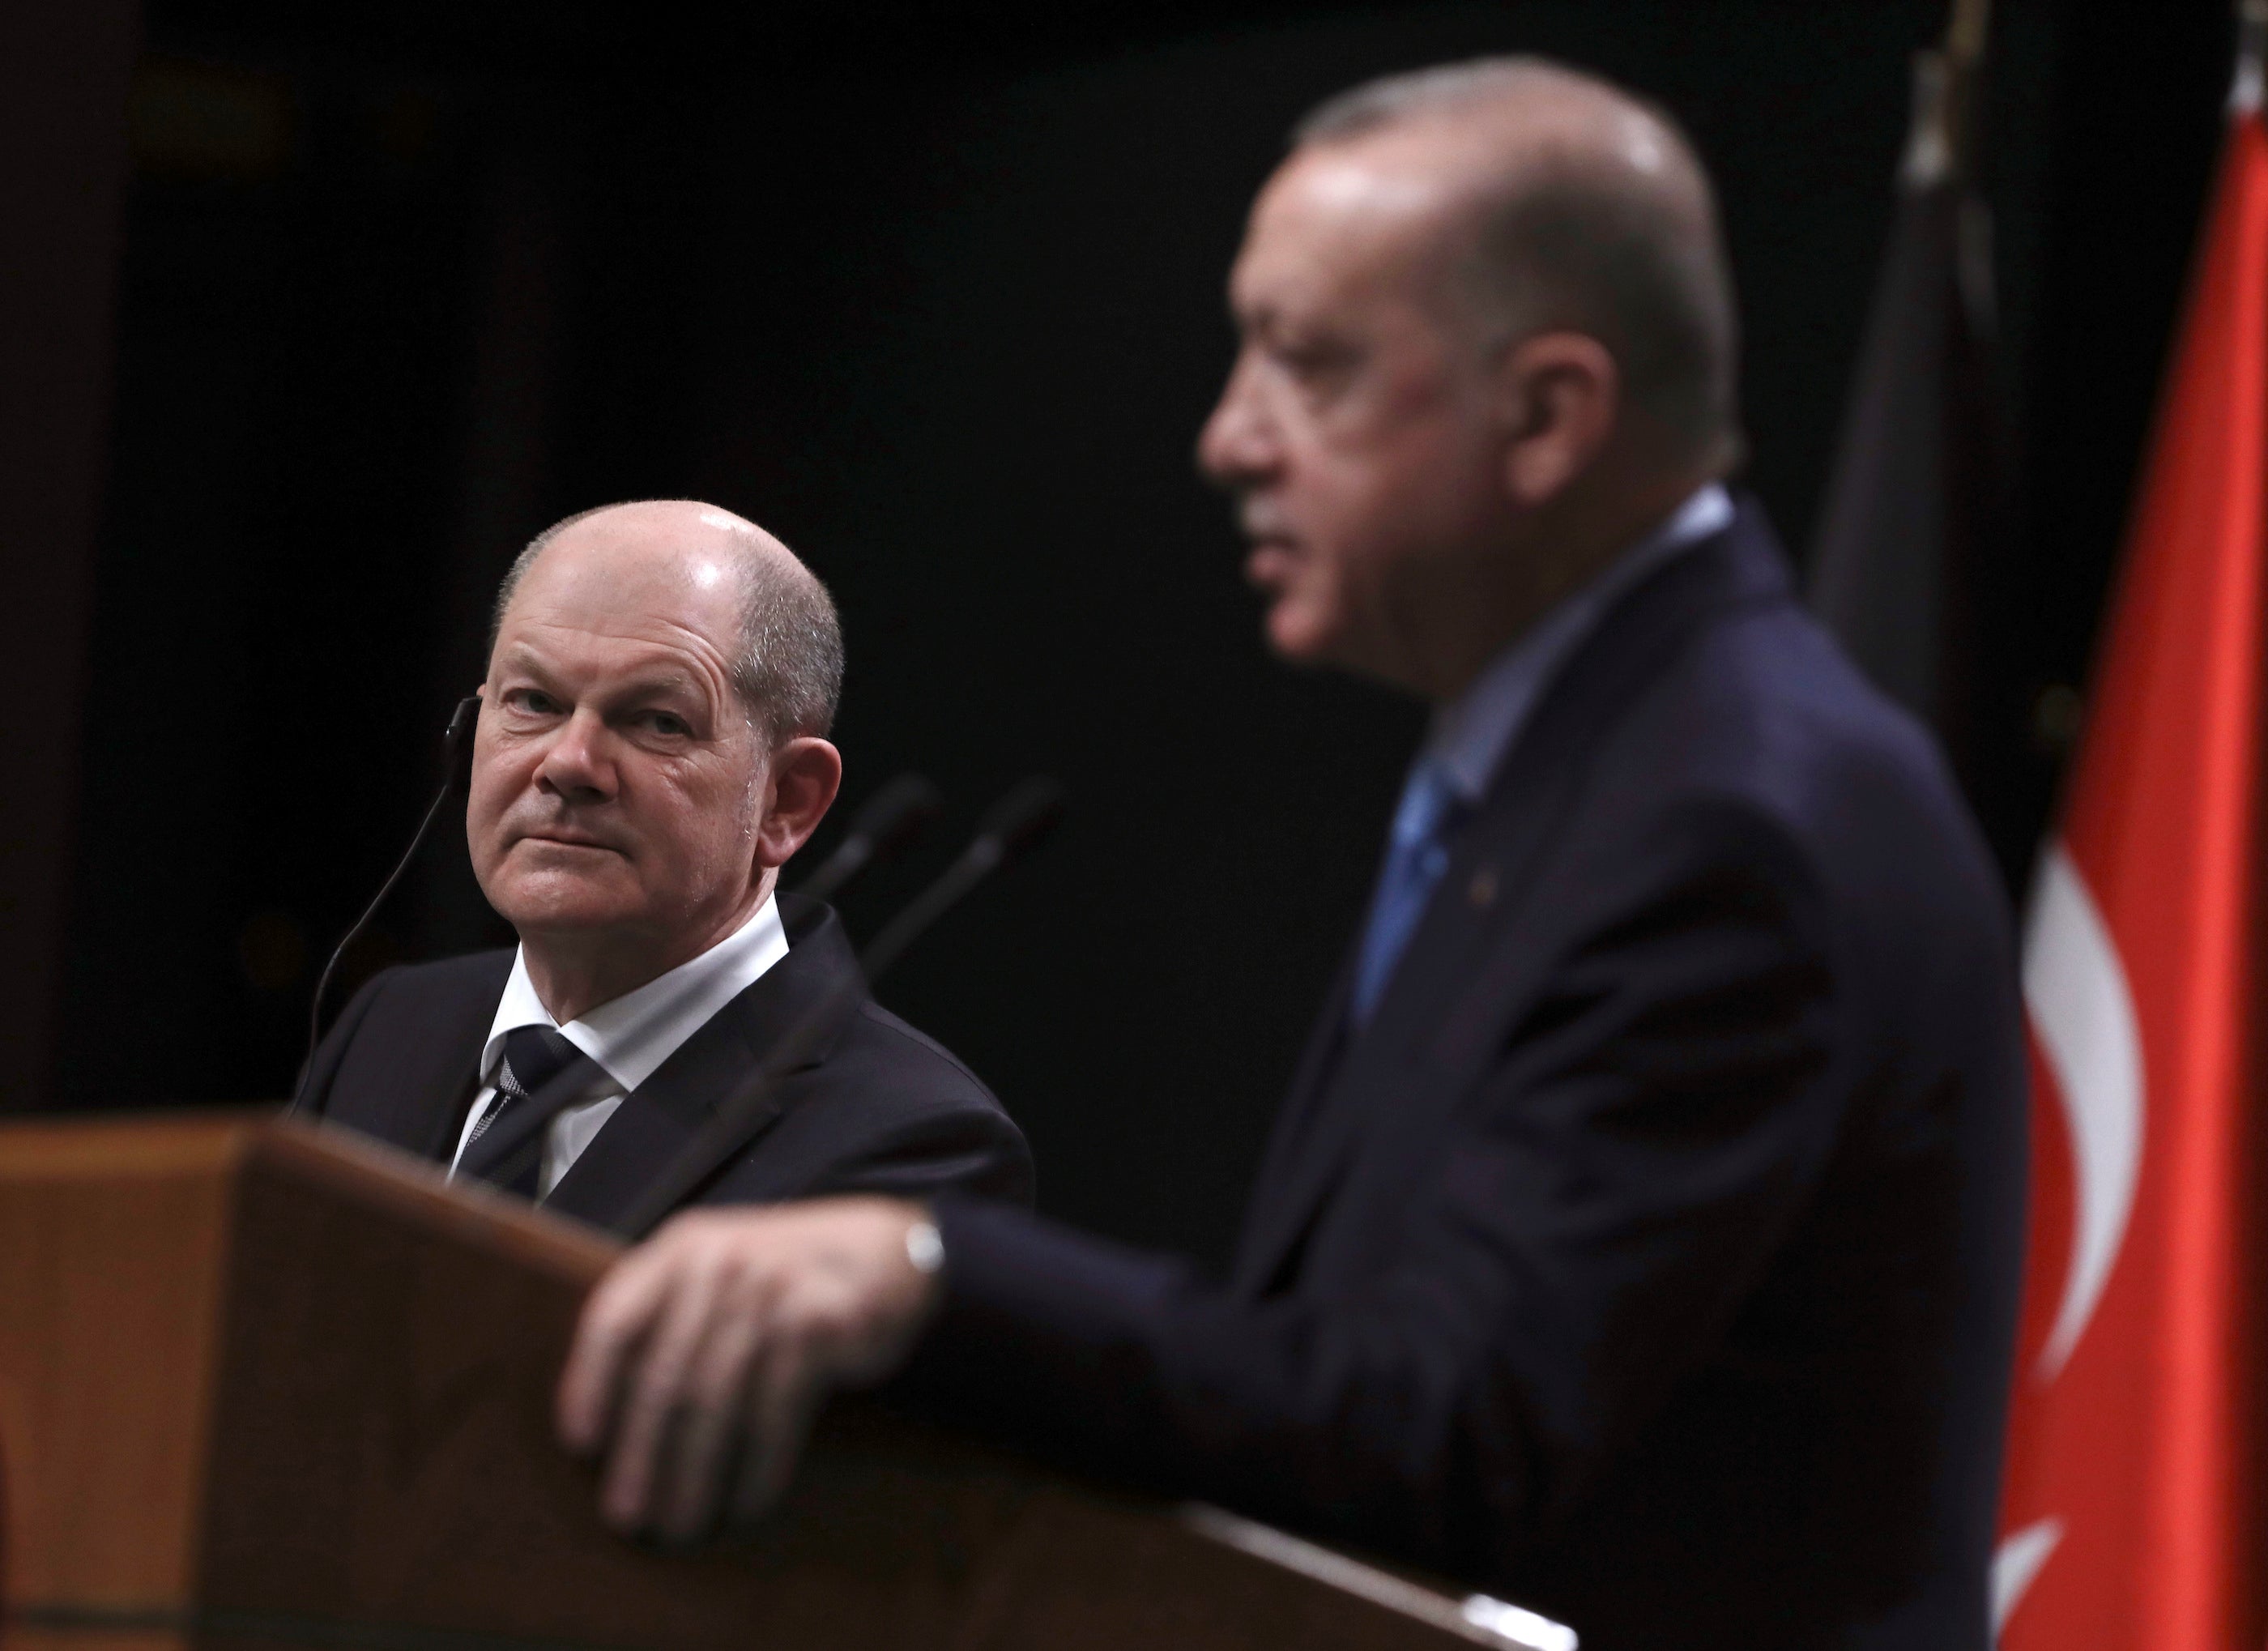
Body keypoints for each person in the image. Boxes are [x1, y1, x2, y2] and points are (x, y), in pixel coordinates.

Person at [551, 61, 2026, 1651]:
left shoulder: (1728, 811)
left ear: (1545, 416)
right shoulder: (1577, 767)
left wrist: (925, 1269)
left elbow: (1432, 1424)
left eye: (1306, 364)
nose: (1226, 438)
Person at [299, 499, 1032, 1227]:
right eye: (534, 701)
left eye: (658, 721)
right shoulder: (390, 1025)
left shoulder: (912, 1143)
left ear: (787, 800)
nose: (570, 763)